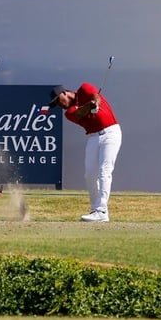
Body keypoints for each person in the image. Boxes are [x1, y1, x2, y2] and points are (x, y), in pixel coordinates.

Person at [50, 83, 121, 222]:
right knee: (89, 174)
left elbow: (95, 96)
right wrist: (90, 106)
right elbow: (79, 113)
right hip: (94, 137)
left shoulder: (84, 88)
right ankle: (95, 209)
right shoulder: (68, 113)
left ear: (64, 93)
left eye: (58, 101)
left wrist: (95, 102)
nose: (60, 105)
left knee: (104, 171)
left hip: (111, 132)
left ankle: (102, 210)